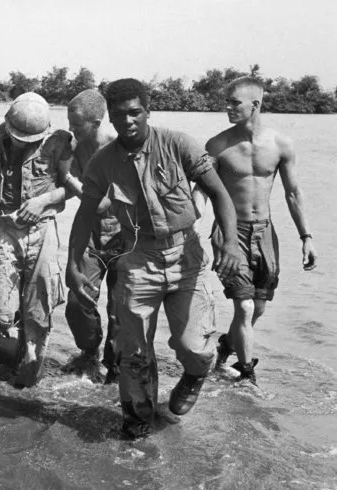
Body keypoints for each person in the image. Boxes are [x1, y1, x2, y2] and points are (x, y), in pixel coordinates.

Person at [66, 78, 241, 439]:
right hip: (137, 257)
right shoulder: (102, 163)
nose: (128, 121)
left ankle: (194, 375)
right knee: (132, 352)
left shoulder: (178, 144)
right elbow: (84, 216)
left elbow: (220, 195)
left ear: (148, 111)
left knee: (195, 347)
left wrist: (232, 244)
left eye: (135, 112)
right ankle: (137, 421)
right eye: (119, 115)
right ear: (110, 119)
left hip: (186, 255)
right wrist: (72, 265)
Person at [205, 76, 318, 384]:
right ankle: (247, 375)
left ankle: (226, 348)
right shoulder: (217, 145)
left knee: (258, 308)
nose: (227, 107)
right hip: (230, 233)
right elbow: (201, 192)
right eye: (226, 101)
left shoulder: (281, 144)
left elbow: (293, 193)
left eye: (234, 103)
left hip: (264, 233)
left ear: (255, 105)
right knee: (243, 305)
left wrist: (306, 237)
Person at [0, 92, 74, 388]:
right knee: (2, 308)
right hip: (6, 227)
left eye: (30, 139)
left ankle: (29, 376)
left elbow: (71, 186)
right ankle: (5, 361)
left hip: (42, 228)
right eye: (18, 136)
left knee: (38, 308)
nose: (23, 142)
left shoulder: (60, 142)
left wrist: (43, 201)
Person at [62, 89, 120, 383]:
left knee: (119, 309)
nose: (71, 130)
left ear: (97, 122)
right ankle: (89, 352)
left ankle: (115, 364)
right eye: (69, 123)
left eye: (77, 124)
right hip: (91, 233)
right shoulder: (76, 147)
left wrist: (67, 177)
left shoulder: (116, 147)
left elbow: (101, 204)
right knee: (78, 300)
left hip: (125, 234)